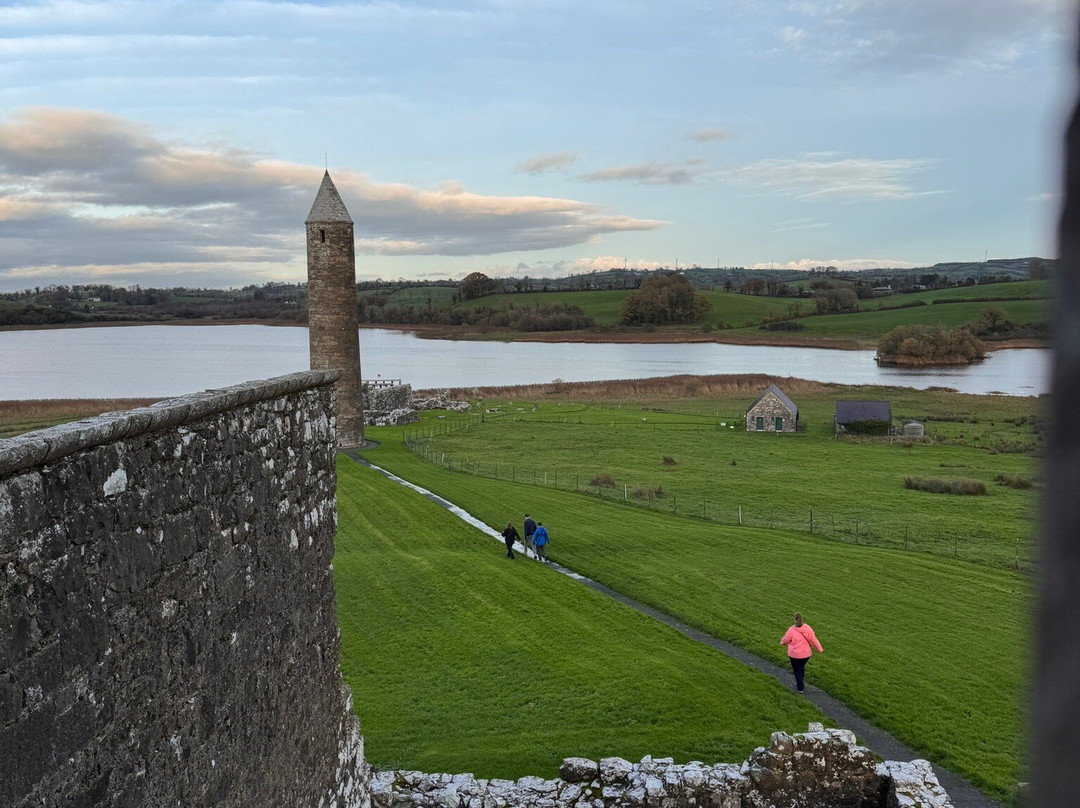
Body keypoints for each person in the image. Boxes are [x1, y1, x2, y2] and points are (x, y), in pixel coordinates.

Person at [781, 612, 823, 693]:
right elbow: (813, 640)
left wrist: (782, 642)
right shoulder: (808, 628)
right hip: (806, 655)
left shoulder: (791, 630)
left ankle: (800, 688)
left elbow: (786, 639)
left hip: (794, 655)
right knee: (801, 667)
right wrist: (819, 649)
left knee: (797, 670)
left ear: (794, 620)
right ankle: (801, 681)